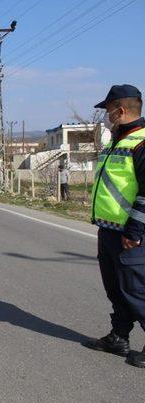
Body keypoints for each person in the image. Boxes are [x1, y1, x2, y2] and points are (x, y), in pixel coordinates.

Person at [85, 84, 145, 369]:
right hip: (109, 230)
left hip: (130, 236)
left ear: (120, 110)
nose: (106, 116)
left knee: (136, 291)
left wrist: (134, 232)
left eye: (108, 111)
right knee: (116, 290)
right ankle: (119, 337)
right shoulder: (117, 141)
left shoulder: (142, 142)